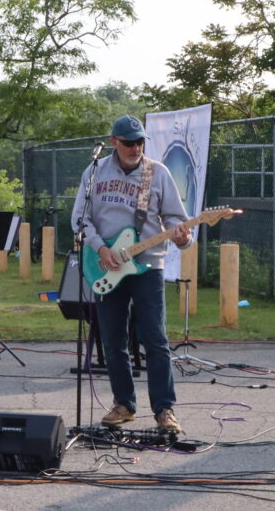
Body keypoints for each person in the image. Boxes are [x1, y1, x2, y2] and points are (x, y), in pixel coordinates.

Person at [71, 115, 191, 433]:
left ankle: (165, 410)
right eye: (129, 142)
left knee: (155, 338)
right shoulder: (95, 171)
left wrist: (183, 236)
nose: (135, 148)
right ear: (114, 142)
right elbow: (80, 220)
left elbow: (180, 223)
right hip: (105, 263)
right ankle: (124, 404)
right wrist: (100, 249)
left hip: (148, 265)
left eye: (140, 142)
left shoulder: (158, 173)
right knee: (112, 340)